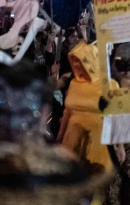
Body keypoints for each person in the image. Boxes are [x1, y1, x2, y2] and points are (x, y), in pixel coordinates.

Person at [56, 41, 112, 173]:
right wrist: (59, 138)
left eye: (79, 60)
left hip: (97, 142)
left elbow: (115, 116)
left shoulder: (108, 84)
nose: (76, 64)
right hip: (72, 141)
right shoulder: (74, 84)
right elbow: (67, 113)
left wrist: (119, 146)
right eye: (74, 61)